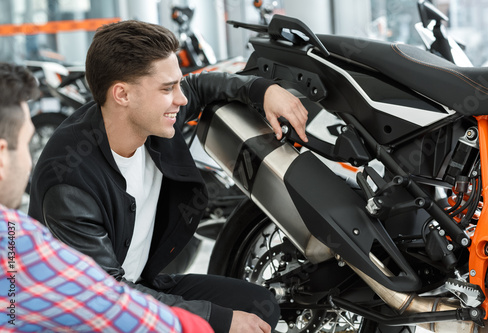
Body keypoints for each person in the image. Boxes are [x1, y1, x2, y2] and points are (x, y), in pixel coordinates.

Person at [29, 20, 309, 333]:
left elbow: (200, 87)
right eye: (167, 89)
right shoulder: (70, 181)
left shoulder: (143, 118)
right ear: (122, 94)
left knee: (260, 309)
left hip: (142, 285)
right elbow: (106, 296)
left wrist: (263, 90)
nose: (181, 99)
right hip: (96, 315)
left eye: (176, 85)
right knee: (226, 322)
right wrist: (216, 320)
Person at [0, 62, 213, 332]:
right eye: (27, 145)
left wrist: (259, 90)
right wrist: (202, 324)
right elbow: (108, 303)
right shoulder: (19, 242)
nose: (29, 164)